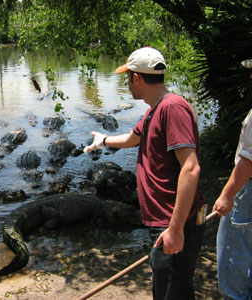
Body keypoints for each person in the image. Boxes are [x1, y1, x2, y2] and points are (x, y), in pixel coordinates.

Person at [84, 47, 206, 300]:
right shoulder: (155, 109)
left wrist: (175, 228)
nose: (126, 84)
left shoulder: (172, 108)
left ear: (136, 78)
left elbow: (191, 168)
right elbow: (131, 139)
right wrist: (104, 140)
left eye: (127, 77)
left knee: (173, 292)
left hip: (174, 221)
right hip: (165, 221)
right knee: (168, 288)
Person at [213, 59, 252, 300]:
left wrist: (227, 195)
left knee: (232, 257)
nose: (250, 77)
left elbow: (248, 161)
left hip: (247, 191)